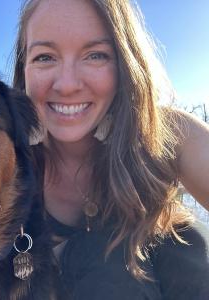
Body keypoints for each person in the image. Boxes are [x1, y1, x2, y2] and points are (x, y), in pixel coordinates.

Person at [12, 0, 209, 299]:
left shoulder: (164, 132)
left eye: (95, 55)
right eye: (45, 57)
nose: (67, 85)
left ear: (125, 65)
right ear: (23, 69)